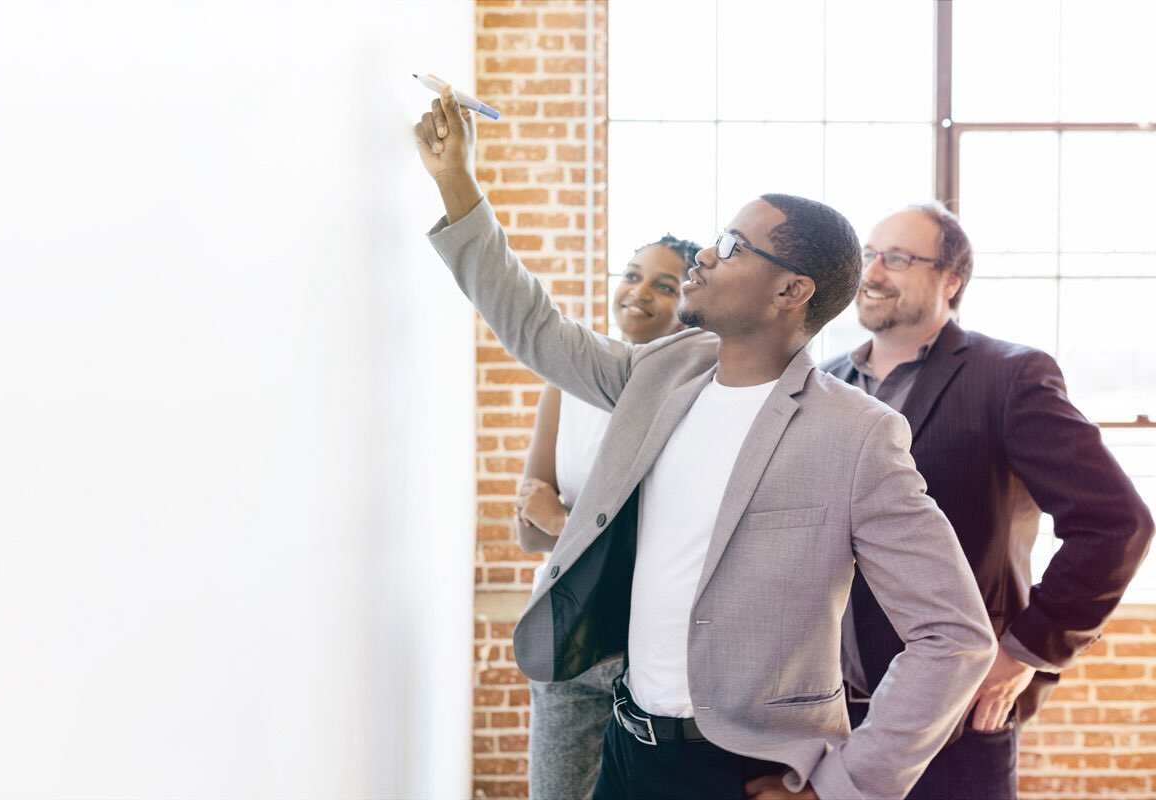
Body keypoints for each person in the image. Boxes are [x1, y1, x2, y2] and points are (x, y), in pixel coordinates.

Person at [415, 84, 996, 800]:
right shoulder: (662, 373)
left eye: (731, 246)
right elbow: (536, 329)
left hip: (742, 773)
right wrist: (456, 181)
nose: (705, 256)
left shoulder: (857, 435)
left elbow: (955, 636)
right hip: (628, 749)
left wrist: (844, 787)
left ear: (790, 292)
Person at [821, 203, 1154, 800]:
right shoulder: (826, 385)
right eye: (869, 254)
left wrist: (1026, 650)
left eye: (897, 257)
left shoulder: (1009, 376)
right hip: (830, 719)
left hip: (957, 720)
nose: (873, 271)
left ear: (951, 280)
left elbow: (1116, 524)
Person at [517, 234, 700, 800]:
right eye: (632, 274)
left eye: (665, 286)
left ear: (690, 306)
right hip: (567, 630)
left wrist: (561, 520)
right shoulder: (565, 385)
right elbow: (527, 526)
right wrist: (557, 521)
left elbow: (664, 537)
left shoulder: (696, 398)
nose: (639, 292)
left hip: (649, 648)